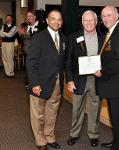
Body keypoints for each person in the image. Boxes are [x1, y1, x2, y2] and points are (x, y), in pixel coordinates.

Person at [95, 5, 119, 150]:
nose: (106, 19)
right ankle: (116, 143)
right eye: (103, 16)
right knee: (115, 120)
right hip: (114, 86)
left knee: (118, 120)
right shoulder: (112, 32)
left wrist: (102, 72)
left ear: (117, 16)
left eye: (109, 15)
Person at [26, 10, 67, 150]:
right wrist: (34, 83)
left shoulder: (63, 38)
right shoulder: (38, 38)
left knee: (52, 113)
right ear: (47, 21)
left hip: (56, 83)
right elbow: (31, 63)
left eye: (59, 19)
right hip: (40, 83)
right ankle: (40, 141)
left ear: (61, 22)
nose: (56, 22)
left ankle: (49, 137)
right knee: (38, 114)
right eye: (53, 19)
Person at [66, 10, 104, 147]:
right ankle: (74, 134)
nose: (88, 23)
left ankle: (93, 134)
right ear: (82, 22)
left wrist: (103, 70)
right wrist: (69, 80)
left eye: (91, 20)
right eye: (85, 20)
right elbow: (68, 61)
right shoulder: (73, 38)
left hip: (97, 80)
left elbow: (108, 60)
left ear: (96, 22)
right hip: (78, 80)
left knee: (95, 108)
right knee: (77, 109)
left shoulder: (104, 38)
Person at [18, 11, 46, 88]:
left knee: (38, 68)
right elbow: (23, 40)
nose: (28, 18)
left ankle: (39, 83)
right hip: (28, 52)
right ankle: (30, 83)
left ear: (35, 17)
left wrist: (25, 34)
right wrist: (21, 35)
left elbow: (37, 38)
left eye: (30, 16)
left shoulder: (41, 26)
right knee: (29, 67)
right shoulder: (27, 27)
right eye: (27, 16)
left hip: (39, 51)